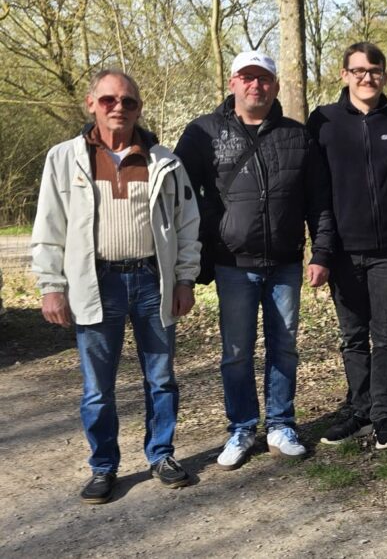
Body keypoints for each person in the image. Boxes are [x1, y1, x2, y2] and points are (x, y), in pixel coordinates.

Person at [31, 70, 201, 503]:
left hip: (152, 280)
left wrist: (185, 278)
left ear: (139, 108)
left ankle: (161, 455)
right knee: (97, 386)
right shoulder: (64, 159)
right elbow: (49, 227)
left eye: (128, 101)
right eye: (108, 100)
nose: (118, 108)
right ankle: (103, 466)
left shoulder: (165, 160)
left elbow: (187, 226)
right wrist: (52, 286)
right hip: (96, 281)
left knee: (161, 378)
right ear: (91, 103)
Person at [175, 52, 334, 469]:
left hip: (285, 263)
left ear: (276, 86)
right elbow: (179, 194)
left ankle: (281, 424)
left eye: (264, 79)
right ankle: (242, 428)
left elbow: (319, 201)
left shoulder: (297, 136)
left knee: (284, 348)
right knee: (236, 352)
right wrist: (201, 245)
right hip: (232, 263)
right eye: (247, 78)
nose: (255, 86)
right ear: (232, 83)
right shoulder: (202, 133)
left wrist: (321, 252)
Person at [308, 42, 387, 449]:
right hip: (342, 249)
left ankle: (384, 415)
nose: (366, 77)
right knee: (352, 336)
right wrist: (321, 251)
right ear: (344, 75)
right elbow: (316, 190)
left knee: (386, 335)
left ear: (384, 75)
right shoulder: (323, 121)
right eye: (358, 70)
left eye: (374, 70)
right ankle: (358, 410)